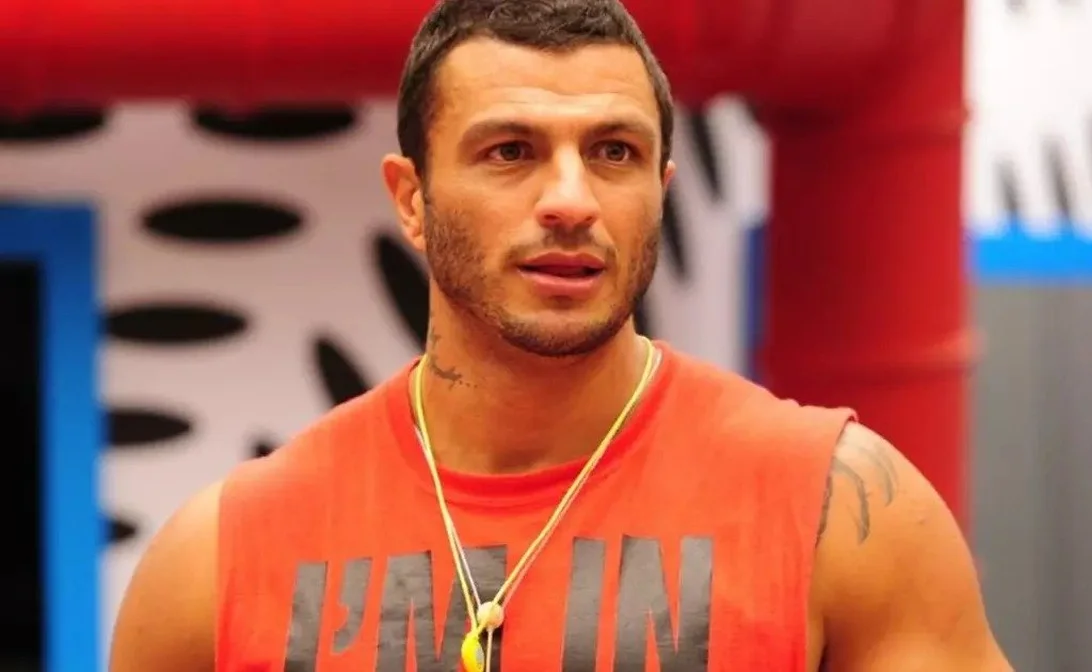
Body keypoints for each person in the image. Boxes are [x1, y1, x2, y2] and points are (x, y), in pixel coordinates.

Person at [109, 1, 1012, 670]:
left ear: (660, 187)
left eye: (614, 153)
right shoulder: (222, 557)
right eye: (510, 151)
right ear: (412, 200)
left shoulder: (838, 512)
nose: (572, 201)